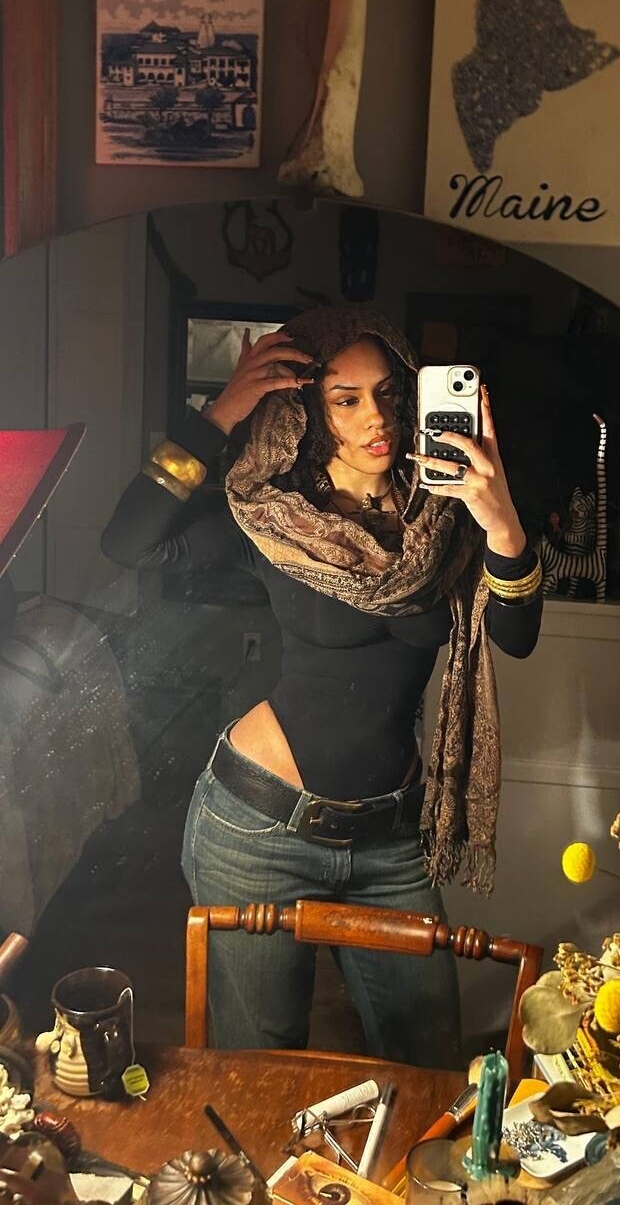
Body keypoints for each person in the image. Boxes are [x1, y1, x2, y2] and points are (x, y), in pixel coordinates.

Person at [102, 305, 542, 1066]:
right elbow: (128, 541)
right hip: (258, 831)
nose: (378, 418)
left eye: (389, 393)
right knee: (261, 1068)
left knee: (424, 1060)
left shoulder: (450, 512)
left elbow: (517, 637)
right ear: (310, 410)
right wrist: (219, 416)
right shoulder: (276, 521)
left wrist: (501, 520)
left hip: (392, 841)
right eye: (347, 399)